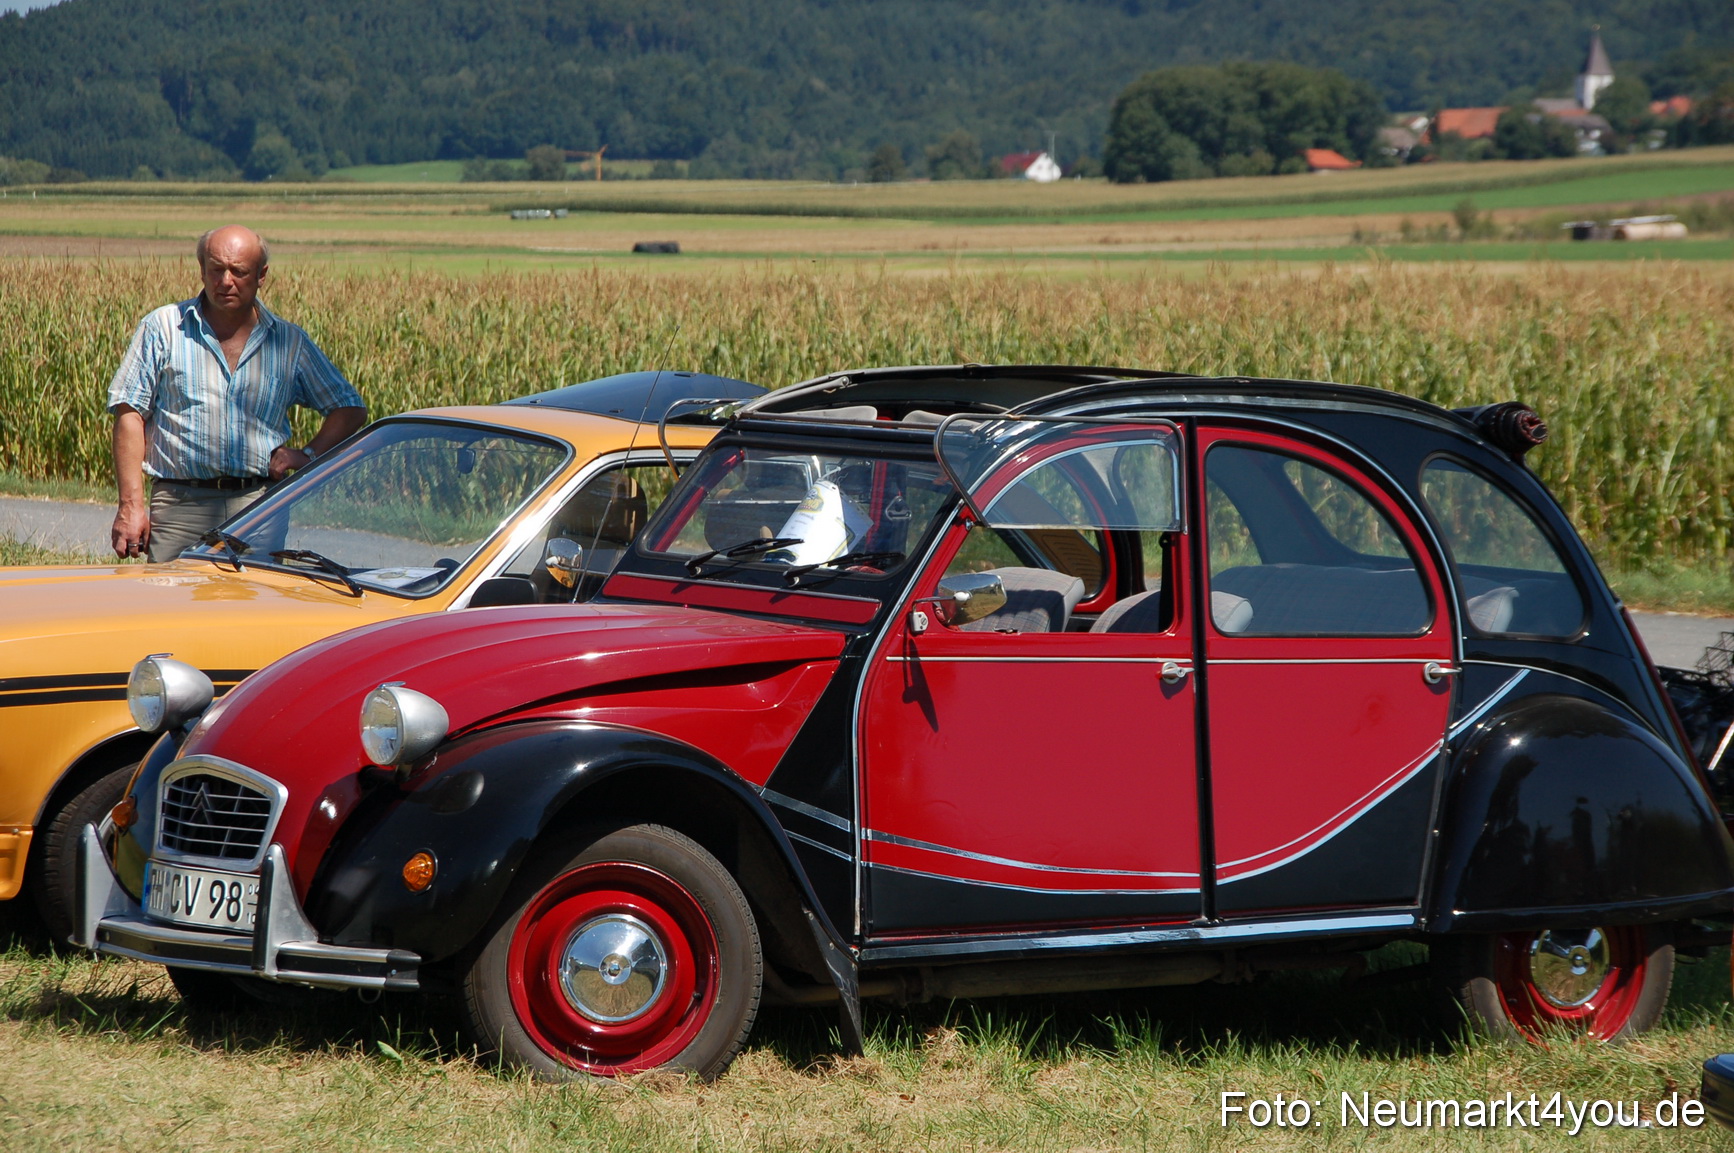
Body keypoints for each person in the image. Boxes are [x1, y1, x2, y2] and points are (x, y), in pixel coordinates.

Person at [108, 225, 367, 562]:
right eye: (216, 270)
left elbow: (349, 408)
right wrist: (131, 506)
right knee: (172, 610)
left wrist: (308, 454)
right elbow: (129, 412)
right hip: (180, 505)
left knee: (255, 608)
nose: (225, 281)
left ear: (261, 276)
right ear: (201, 270)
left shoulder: (287, 342)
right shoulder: (164, 328)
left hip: (258, 507)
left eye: (238, 272)